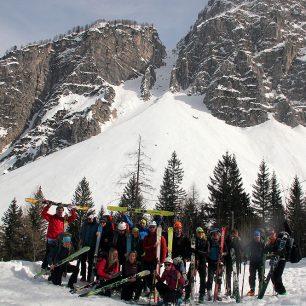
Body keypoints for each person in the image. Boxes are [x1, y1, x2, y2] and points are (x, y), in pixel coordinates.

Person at [41, 202, 76, 270]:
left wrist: (71, 210)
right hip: (51, 239)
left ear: (63, 211)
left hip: (59, 240)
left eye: (61, 211)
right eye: (58, 210)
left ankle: (54, 268)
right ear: (56, 211)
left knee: (56, 255)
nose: (60, 212)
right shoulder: (52, 217)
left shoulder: (64, 220)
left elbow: (74, 217)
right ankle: (44, 267)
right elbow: (43, 214)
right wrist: (48, 206)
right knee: (48, 254)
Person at [143, 220, 167, 293]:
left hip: (155, 260)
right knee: (146, 275)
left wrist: (162, 261)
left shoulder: (161, 238)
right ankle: (149, 289)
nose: (152, 228)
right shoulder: (146, 237)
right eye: (150, 227)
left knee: (153, 275)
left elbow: (164, 250)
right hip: (147, 260)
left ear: (156, 227)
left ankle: (154, 290)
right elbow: (144, 248)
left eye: (153, 227)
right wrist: (153, 246)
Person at [186, 227, 208, 303]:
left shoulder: (205, 241)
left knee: (203, 279)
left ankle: (201, 295)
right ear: (196, 233)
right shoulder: (193, 240)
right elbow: (190, 251)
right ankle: (187, 295)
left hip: (202, 262)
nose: (200, 233)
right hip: (194, 261)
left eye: (201, 232)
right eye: (199, 232)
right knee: (189, 277)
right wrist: (192, 252)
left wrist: (197, 251)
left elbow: (207, 253)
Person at [264, 229, 288, 295]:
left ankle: (282, 291)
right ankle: (278, 290)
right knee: (273, 276)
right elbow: (265, 252)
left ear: (275, 234)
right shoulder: (269, 243)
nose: (271, 235)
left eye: (272, 233)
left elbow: (283, 251)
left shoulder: (279, 241)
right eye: (270, 234)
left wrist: (274, 253)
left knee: (277, 276)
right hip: (274, 261)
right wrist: (266, 244)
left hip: (281, 260)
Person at [206, 228, 227, 301]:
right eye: (214, 235)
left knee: (219, 278)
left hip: (219, 262)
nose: (215, 236)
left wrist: (222, 253)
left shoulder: (222, 242)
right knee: (210, 278)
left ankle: (218, 292)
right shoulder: (210, 242)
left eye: (216, 235)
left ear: (219, 235)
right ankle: (209, 292)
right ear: (212, 236)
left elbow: (226, 252)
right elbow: (207, 252)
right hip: (211, 262)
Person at [79, 213, 99, 281]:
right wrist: (81, 238)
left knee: (90, 262)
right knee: (83, 261)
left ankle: (89, 277)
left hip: (92, 246)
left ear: (93, 219)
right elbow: (81, 232)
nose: (88, 220)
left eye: (90, 219)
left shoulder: (96, 225)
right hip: (84, 245)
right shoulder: (85, 224)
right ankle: (83, 276)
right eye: (88, 219)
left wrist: (97, 235)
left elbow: (99, 234)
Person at [245, 230, 265, 296]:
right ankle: (252, 290)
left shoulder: (263, 243)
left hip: (260, 262)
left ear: (260, 236)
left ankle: (260, 289)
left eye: (258, 237)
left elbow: (267, 251)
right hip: (253, 262)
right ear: (254, 237)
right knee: (252, 277)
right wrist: (245, 255)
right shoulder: (252, 243)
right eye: (256, 237)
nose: (257, 238)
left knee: (261, 276)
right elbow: (246, 249)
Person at [224, 228, 243, 296]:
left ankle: (235, 290)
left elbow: (241, 248)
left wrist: (243, 256)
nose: (235, 235)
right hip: (229, 260)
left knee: (235, 276)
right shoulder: (228, 240)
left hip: (236, 260)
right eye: (234, 233)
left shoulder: (238, 240)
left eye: (236, 233)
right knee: (228, 275)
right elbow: (225, 248)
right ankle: (229, 290)